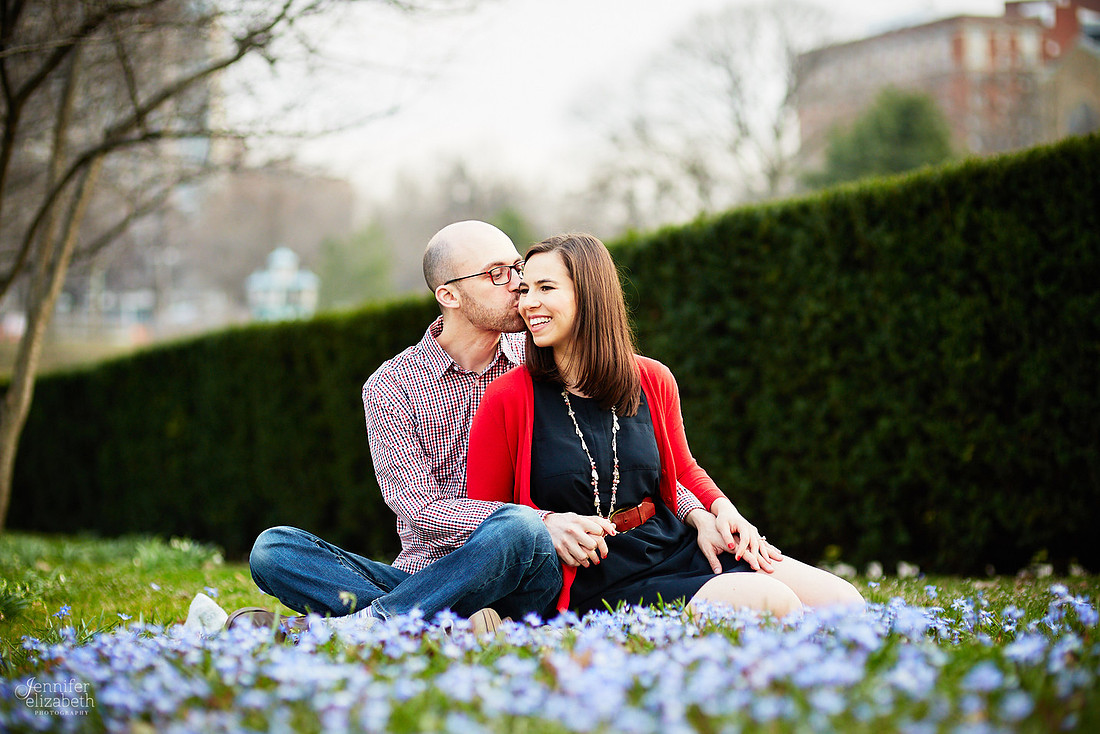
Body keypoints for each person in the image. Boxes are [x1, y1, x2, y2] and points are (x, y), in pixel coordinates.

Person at [239, 222, 624, 630]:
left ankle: (371, 625)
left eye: (516, 267)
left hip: (524, 571)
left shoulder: (541, 360)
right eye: (497, 274)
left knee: (519, 527)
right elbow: (420, 509)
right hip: (424, 574)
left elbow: (633, 447)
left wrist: (698, 510)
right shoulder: (391, 386)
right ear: (449, 295)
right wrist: (543, 520)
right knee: (273, 550)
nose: (517, 284)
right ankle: (443, 626)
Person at [466, 233, 864, 617]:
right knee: (769, 602)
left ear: (590, 295)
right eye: (525, 290)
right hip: (592, 575)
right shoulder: (508, 397)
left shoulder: (652, 379)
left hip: (669, 541)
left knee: (843, 603)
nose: (528, 303)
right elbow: (483, 513)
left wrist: (723, 511)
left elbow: (683, 468)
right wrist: (546, 525)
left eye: (545, 288)